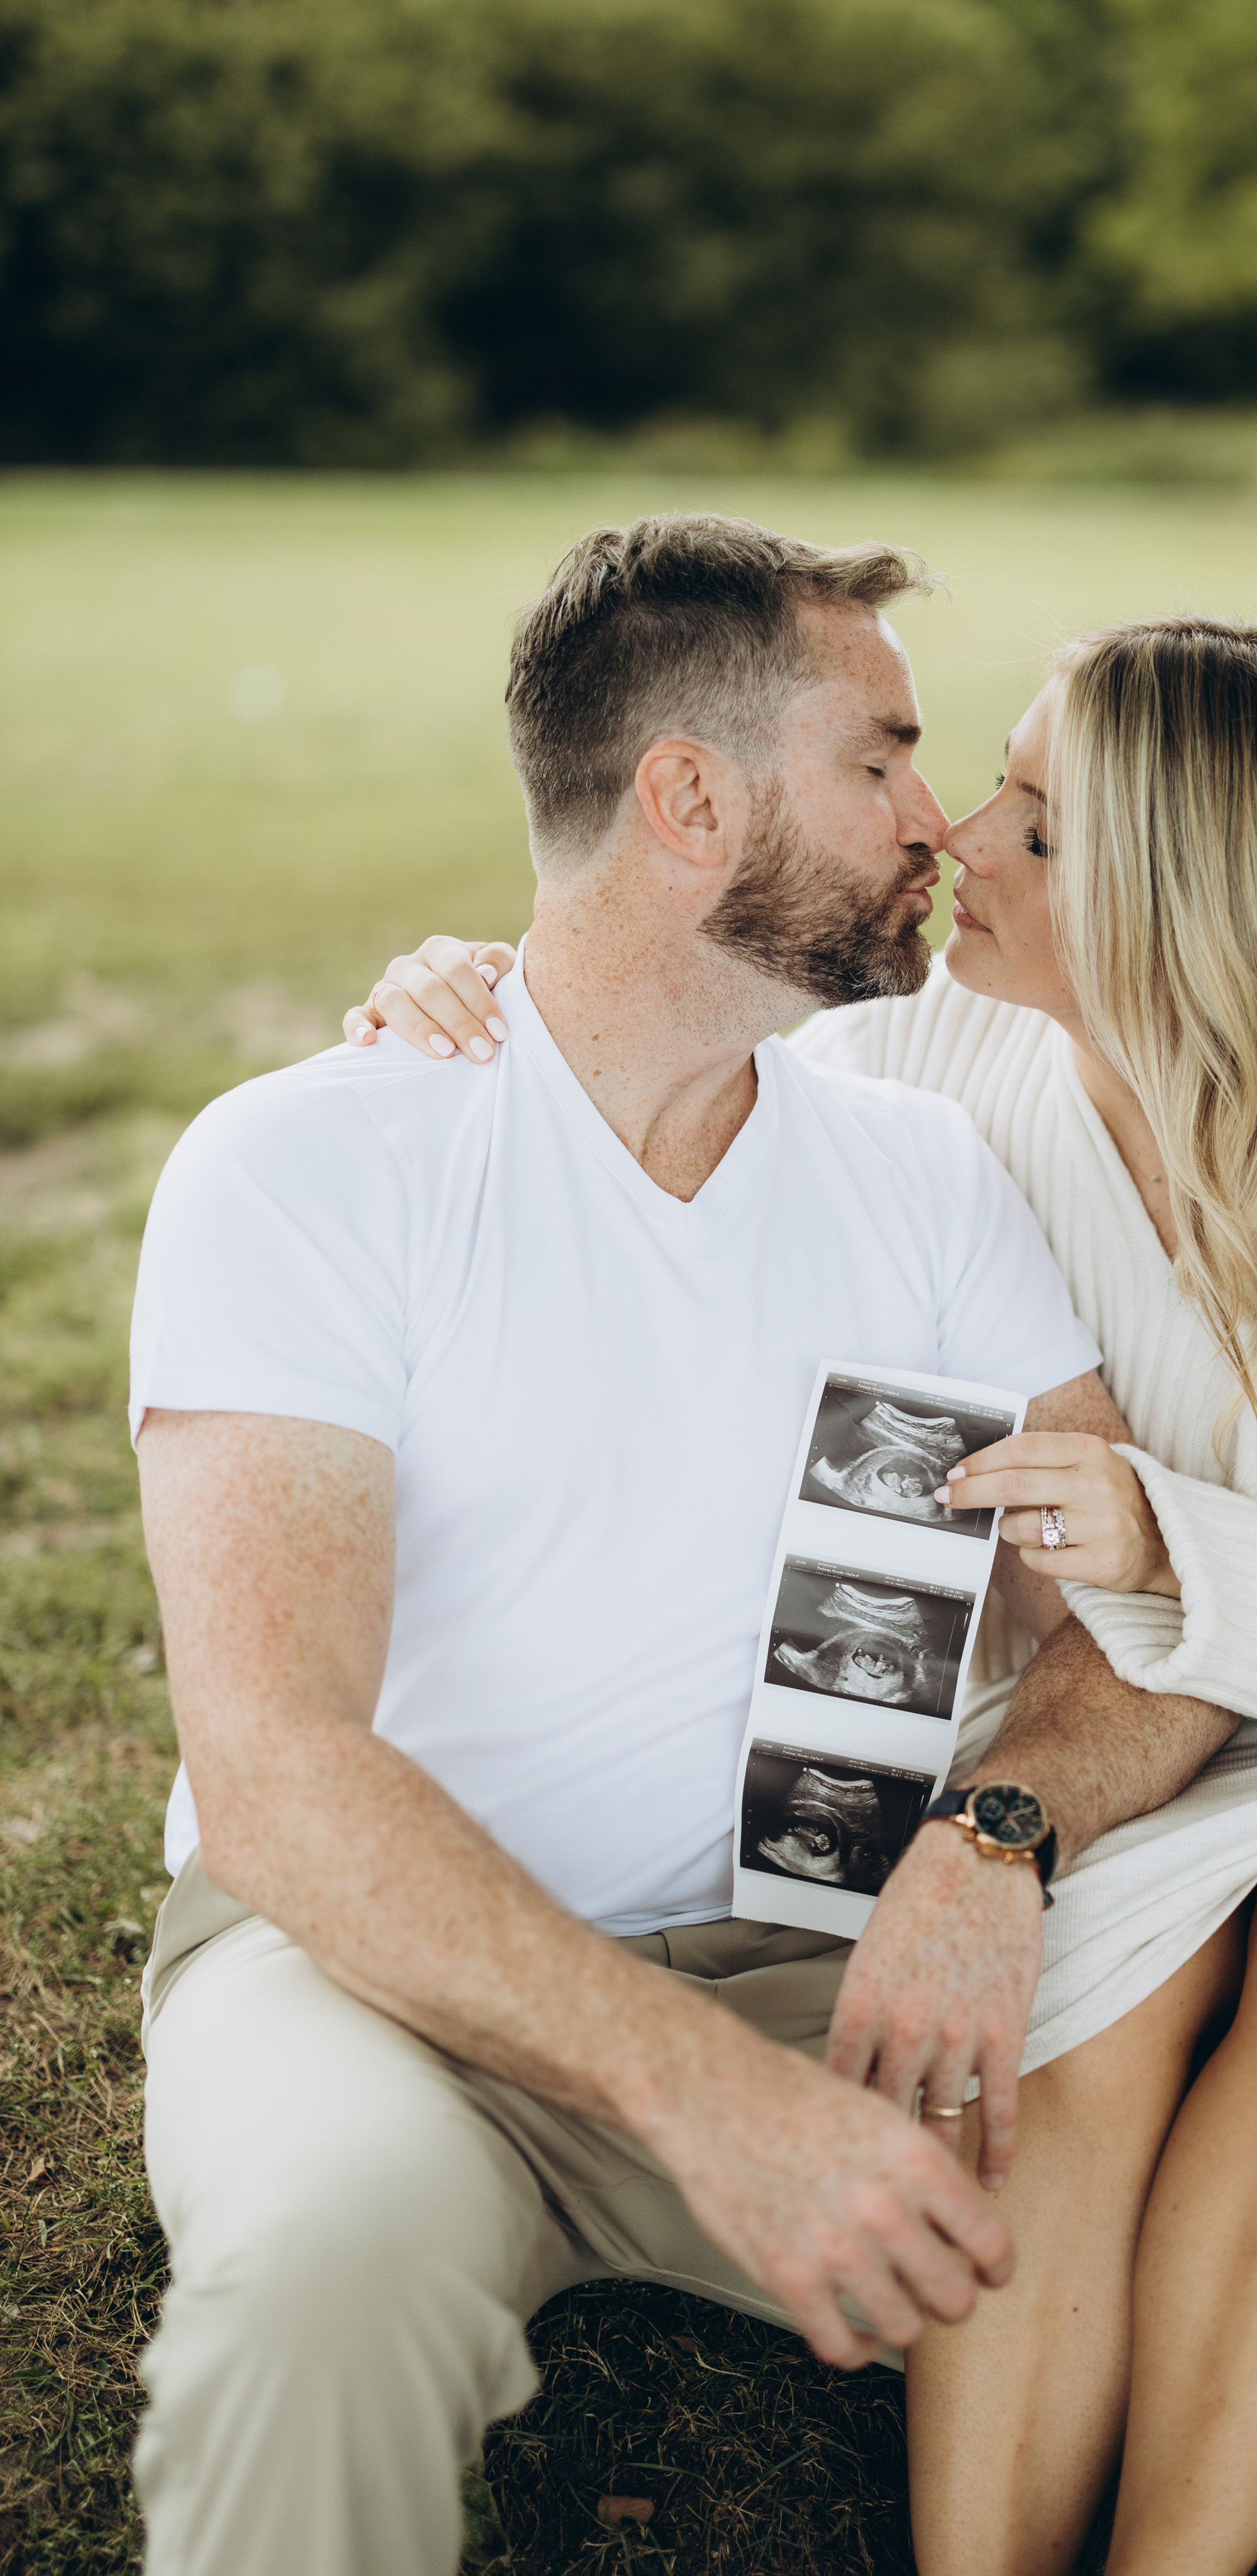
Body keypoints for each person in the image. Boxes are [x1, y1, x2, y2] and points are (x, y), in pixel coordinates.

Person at [361, 561, 1257, 2576]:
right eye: (983, 786)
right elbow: (669, 1076)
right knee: (1082, 2010)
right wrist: (471, 1002)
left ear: (1185, 894)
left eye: (1035, 818)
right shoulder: (942, 1060)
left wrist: (1175, 1539)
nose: (955, 832)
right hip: (1121, 1733)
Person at [129, 514, 1162, 2576]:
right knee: (321, 2286)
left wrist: (998, 1832)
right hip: (366, 1983)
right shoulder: (311, 1161)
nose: (933, 816)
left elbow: (1121, 1619)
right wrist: (713, 2102)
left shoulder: (924, 1172)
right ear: (686, 797)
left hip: (813, 1969)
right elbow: (276, 1771)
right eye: (879, 759)